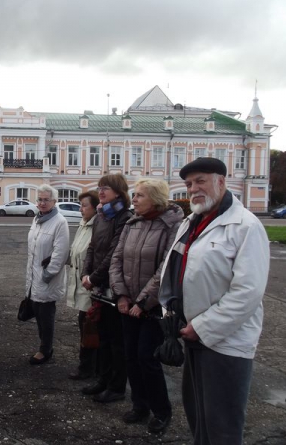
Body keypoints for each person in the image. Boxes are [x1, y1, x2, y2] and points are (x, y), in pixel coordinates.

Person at [159, 157, 270, 444]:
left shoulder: (246, 226)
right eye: (188, 184)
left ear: (221, 182)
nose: (193, 189)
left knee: (222, 426)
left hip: (225, 343)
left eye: (200, 181)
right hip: (192, 335)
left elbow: (248, 291)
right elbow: (176, 270)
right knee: (199, 418)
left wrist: (203, 327)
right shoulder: (192, 222)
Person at [109, 179, 183, 433]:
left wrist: (142, 301)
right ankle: (139, 405)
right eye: (134, 195)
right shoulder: (133, 222)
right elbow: (116, 259)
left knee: (147, 358)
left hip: (152, 307)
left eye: (140, 195)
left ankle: (161, 411)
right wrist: (121, 296)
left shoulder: (172, 225)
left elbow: (166, 268)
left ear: (156, 199)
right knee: (131, 356)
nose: (135, 199)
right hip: (126, 303)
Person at [80, 175, 132, 402]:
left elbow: (114, 252)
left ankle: (117, 387)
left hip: (114, 285)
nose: (101, 192)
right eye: (100, 188)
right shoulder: (102, 215)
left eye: (106, 188)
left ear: (119, 192)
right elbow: (92, 247)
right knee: (102, 336)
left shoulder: (124, 217)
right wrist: (86, 272)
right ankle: (103, 379)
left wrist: (95, 276)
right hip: (98, 285)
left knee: (116, 340)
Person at [25, 184, 70, 365]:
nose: (42, 203)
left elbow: (61, 253)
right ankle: (44, 346)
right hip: (34, 275)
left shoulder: (60, 222)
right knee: (38, 312)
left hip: (47, 278)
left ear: (54, 202)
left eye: (46, 200)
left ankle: (46, 350)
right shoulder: (37, 219)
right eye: (40, 200)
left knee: (46, 314)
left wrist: (48, 274)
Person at [66, 190, 100, 379]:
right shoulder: (83, 224)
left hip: (91, 287)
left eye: (84, 206)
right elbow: (75, 251)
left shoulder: (98, 226)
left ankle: (88, 368)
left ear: (95, 207)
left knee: (89, 327)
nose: (80, 209)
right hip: (81, 285)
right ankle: (88, 366)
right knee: (85, 325)